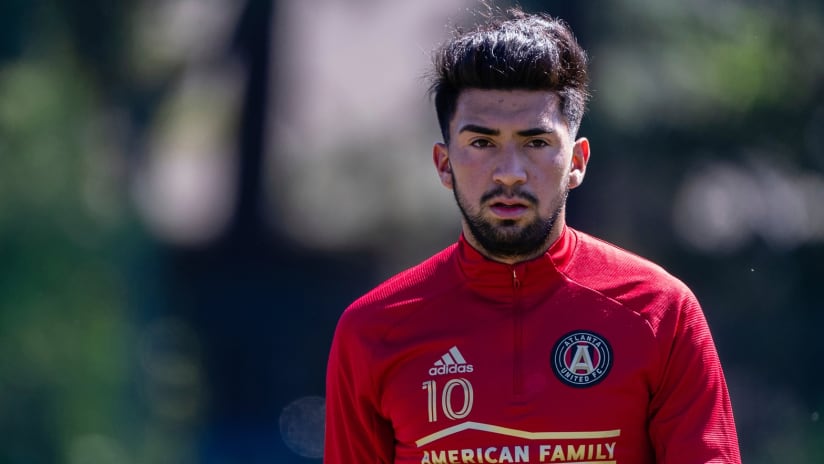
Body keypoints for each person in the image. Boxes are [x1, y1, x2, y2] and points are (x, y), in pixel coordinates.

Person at [324, 6, 741, 464]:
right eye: (481, 143)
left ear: (577, 162)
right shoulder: (373, 331)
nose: (509, 173)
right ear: (444, 164)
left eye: (536, 143)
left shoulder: (660, 311)